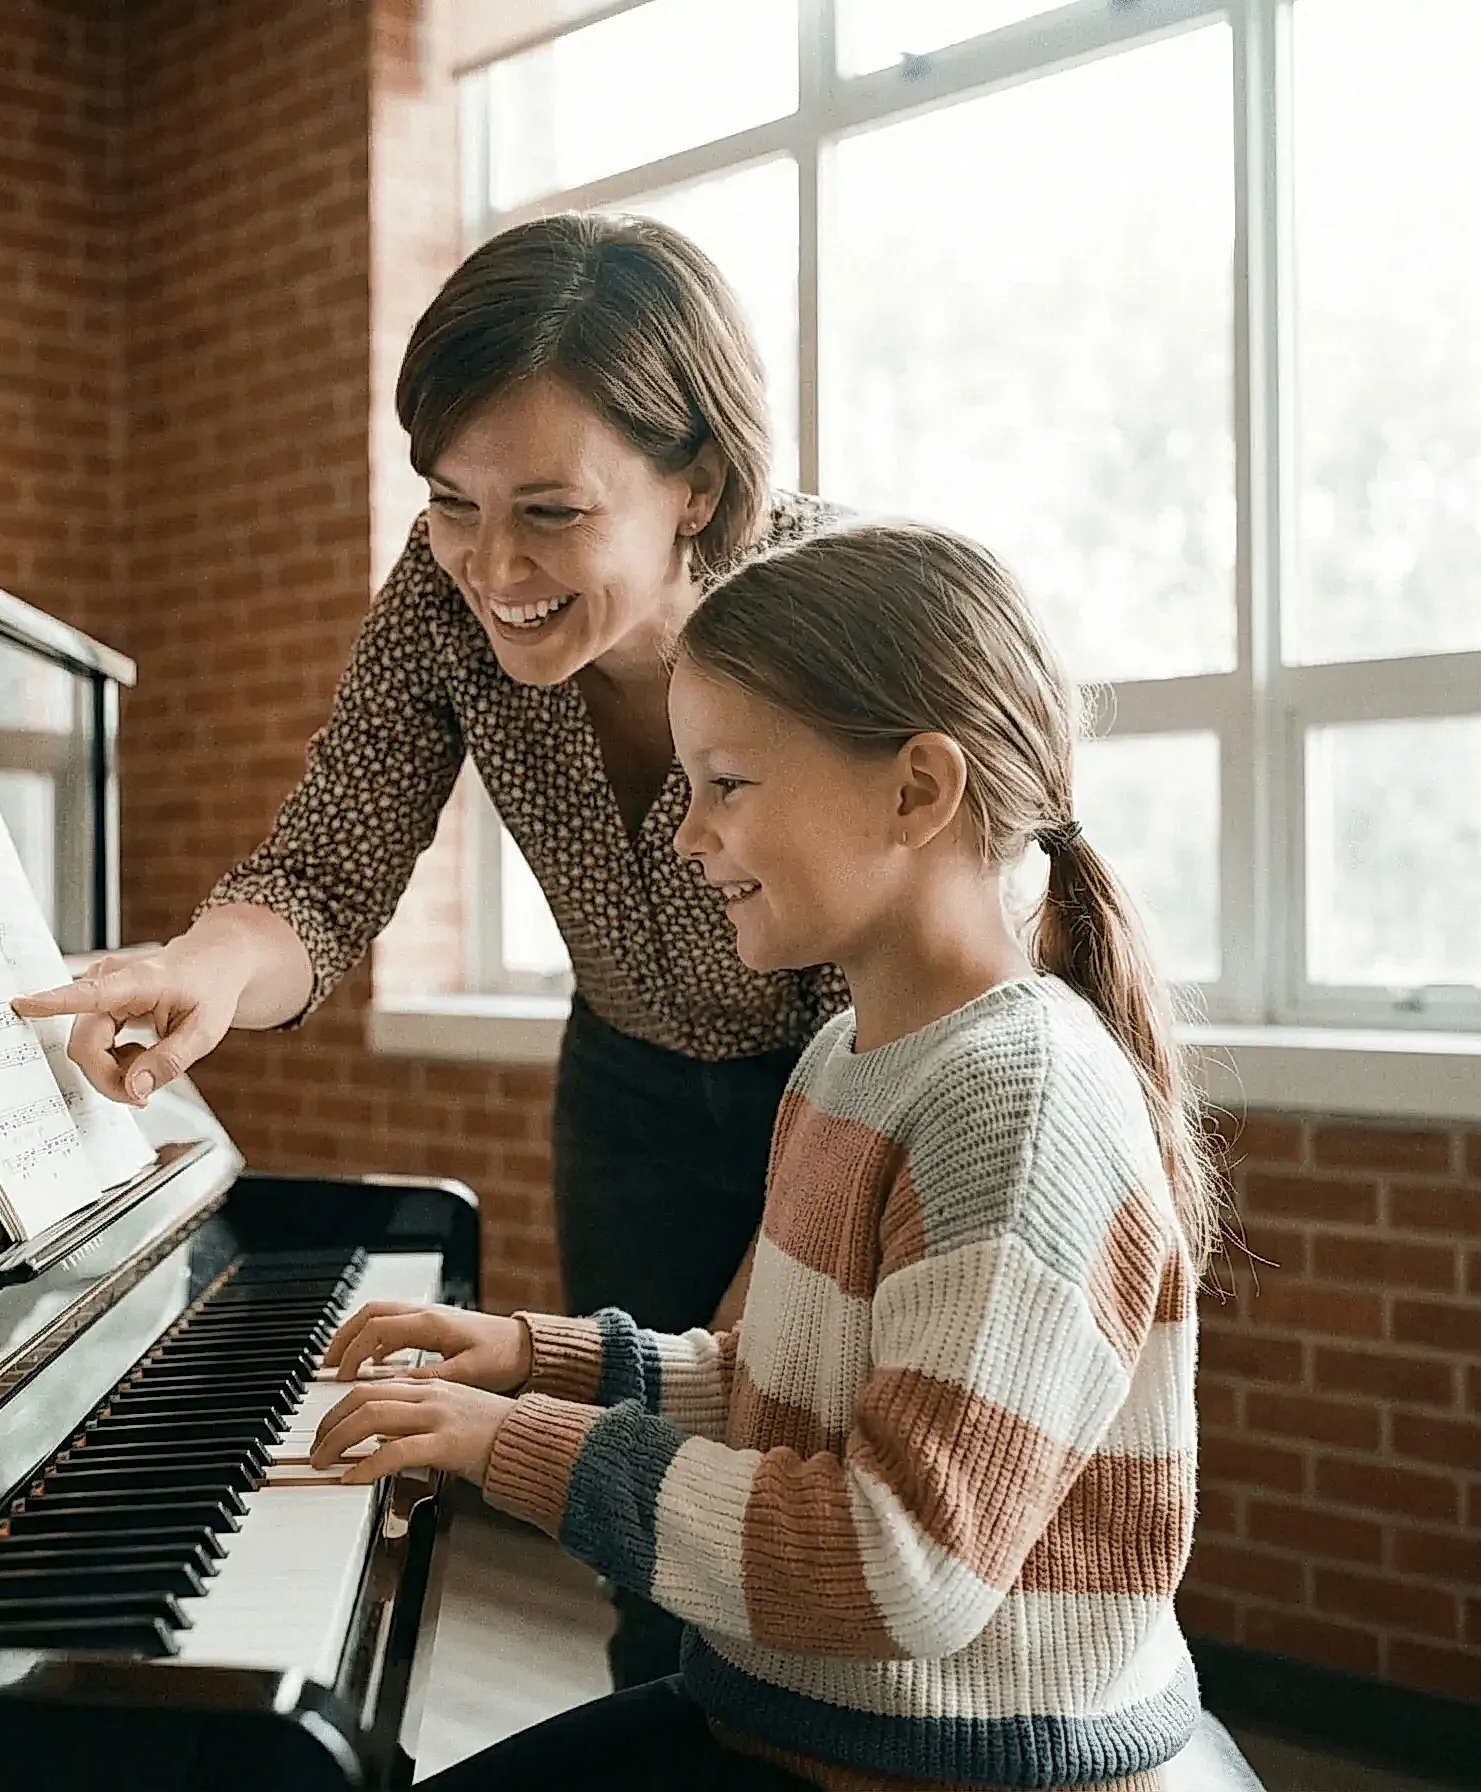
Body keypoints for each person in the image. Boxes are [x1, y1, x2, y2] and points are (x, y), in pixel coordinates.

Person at [13, 214, 848, 1685]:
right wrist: (200, 971)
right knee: (647, 1567)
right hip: (631, 1092)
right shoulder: (441, 593)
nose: (489, 565)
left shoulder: (839, 613)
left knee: (777, 1499)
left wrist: (742, 1326)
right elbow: (322, 873)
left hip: (849, 1096)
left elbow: (904, 1003)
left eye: (549, 512)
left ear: (699, 481)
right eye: (451, 502)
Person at [307, 521, 1228, 1791]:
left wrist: (510, 1443)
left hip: (947, 1767)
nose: (686, 839)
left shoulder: (1016, 1108)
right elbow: (782, 1387)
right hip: (797, 1720)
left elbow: (900, 1563)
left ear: (918, 789)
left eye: (727, 786)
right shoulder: (849, 1053)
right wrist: (543, 1359)